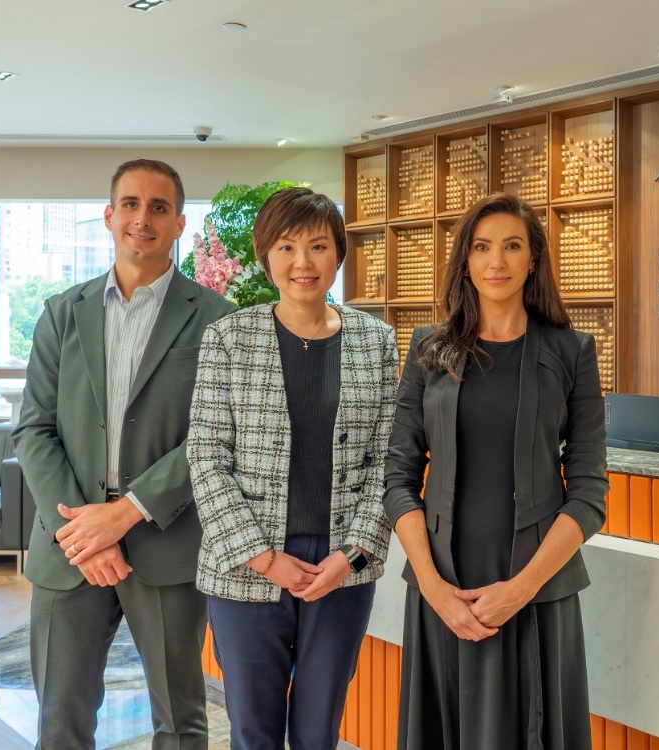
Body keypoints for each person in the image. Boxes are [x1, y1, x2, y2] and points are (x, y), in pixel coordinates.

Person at [13, 159, 236, 749]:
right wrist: (82, 530)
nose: (143, 218)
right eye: (131, 205)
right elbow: (33, 430)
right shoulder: (62, 312)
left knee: (181, 723)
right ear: (109, 216)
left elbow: (216, 434)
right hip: (71, 547)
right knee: (60, 721)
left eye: (159, 207)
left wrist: (128, 510)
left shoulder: (218, 320)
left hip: (168, 543)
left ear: (180, 223)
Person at [383, 192, 608, 749]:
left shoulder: (571, 351)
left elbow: (588, 492)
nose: (497, 262)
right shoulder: (428, 350)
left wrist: (520, 589)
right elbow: (397, 478)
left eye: (512, 246)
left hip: (536, 589)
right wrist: (434, 589)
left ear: (534, 259)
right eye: (482, 247)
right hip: (443, 587)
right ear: (465, 260)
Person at [188, 186, 398, 750]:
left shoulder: (375, 341)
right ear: (266, 256)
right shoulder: (228, 337)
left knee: (319, 730)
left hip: (339, 568)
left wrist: (351, 554)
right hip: (247, 569)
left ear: (338, 255)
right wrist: (263, 557)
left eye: (318, 246)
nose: (302, 262)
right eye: (286, 247)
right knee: (253, 731)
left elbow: (388, 462)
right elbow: (206, 457)